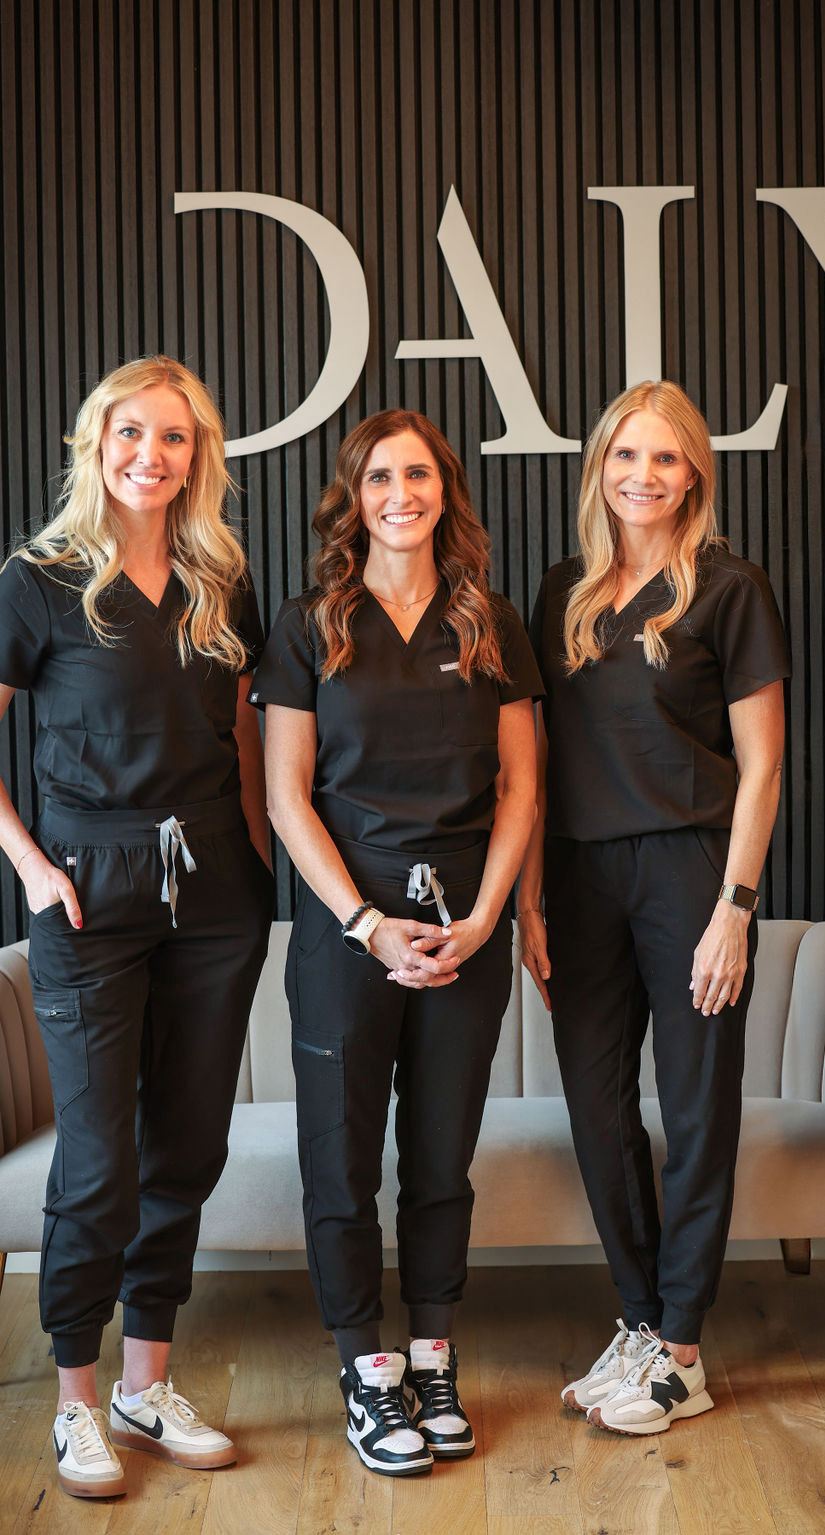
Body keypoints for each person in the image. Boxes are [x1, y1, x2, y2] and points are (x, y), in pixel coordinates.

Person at [0, 357, 274, 1499]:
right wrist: (27, 865)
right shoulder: (40, 577)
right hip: (88, 891)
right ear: (94, 443)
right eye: (128, 434)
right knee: (101, 1160)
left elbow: (248, 733)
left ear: (197, 453)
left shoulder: (221, 576)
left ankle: (146, 1381)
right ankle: (75, 1396)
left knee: (188, 1148)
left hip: (214, 893)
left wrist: (256, 859)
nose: (148, 456)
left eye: (172, 437)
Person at [252, 408, 540, 1477]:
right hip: (347, 931)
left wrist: (483, 916)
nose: (400, 494)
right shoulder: (308, 622)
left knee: (439, 1159)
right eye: (380, 477)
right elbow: (285, 797)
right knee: (339, 1157)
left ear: (444, 493)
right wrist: (370, 925)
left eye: (418, 475)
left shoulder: (490, 621)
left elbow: (521, 788)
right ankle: (364, 1369)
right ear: (353, 495)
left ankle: (431, 1356)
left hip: (465, 926)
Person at [520, 380, 788, 1436]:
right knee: (595, 1112)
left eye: (665, 459)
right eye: (626, 456)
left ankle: (683, 1347)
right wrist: (530, 901)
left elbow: (762, 765)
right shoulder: (560, 594)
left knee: (694, 1107)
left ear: (694, 476)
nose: (643, 476)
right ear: (600, 469)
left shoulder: (729, 587)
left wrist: (735, 904)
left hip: (689, 872)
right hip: (581, 878)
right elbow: (533, 763)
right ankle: (638, 1319)